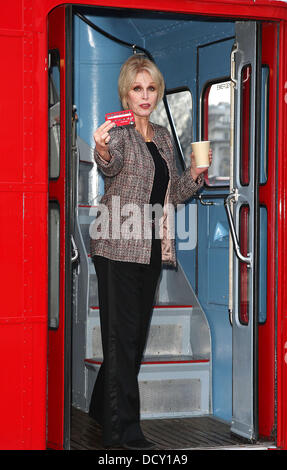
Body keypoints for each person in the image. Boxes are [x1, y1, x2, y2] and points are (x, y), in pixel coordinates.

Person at [89, 55, 212, 450]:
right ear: (126, 93)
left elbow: (171, 193)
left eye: (151, 88)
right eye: (137, 88)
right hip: (117, 247)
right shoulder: (120, 134)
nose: (145, 95)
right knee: (120, 341)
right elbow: (112, 165)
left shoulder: (160, 135)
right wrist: (101, 149)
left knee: (131, 340)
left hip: (150, 250)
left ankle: (97, 408)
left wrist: (192, 177)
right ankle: (124, 433)